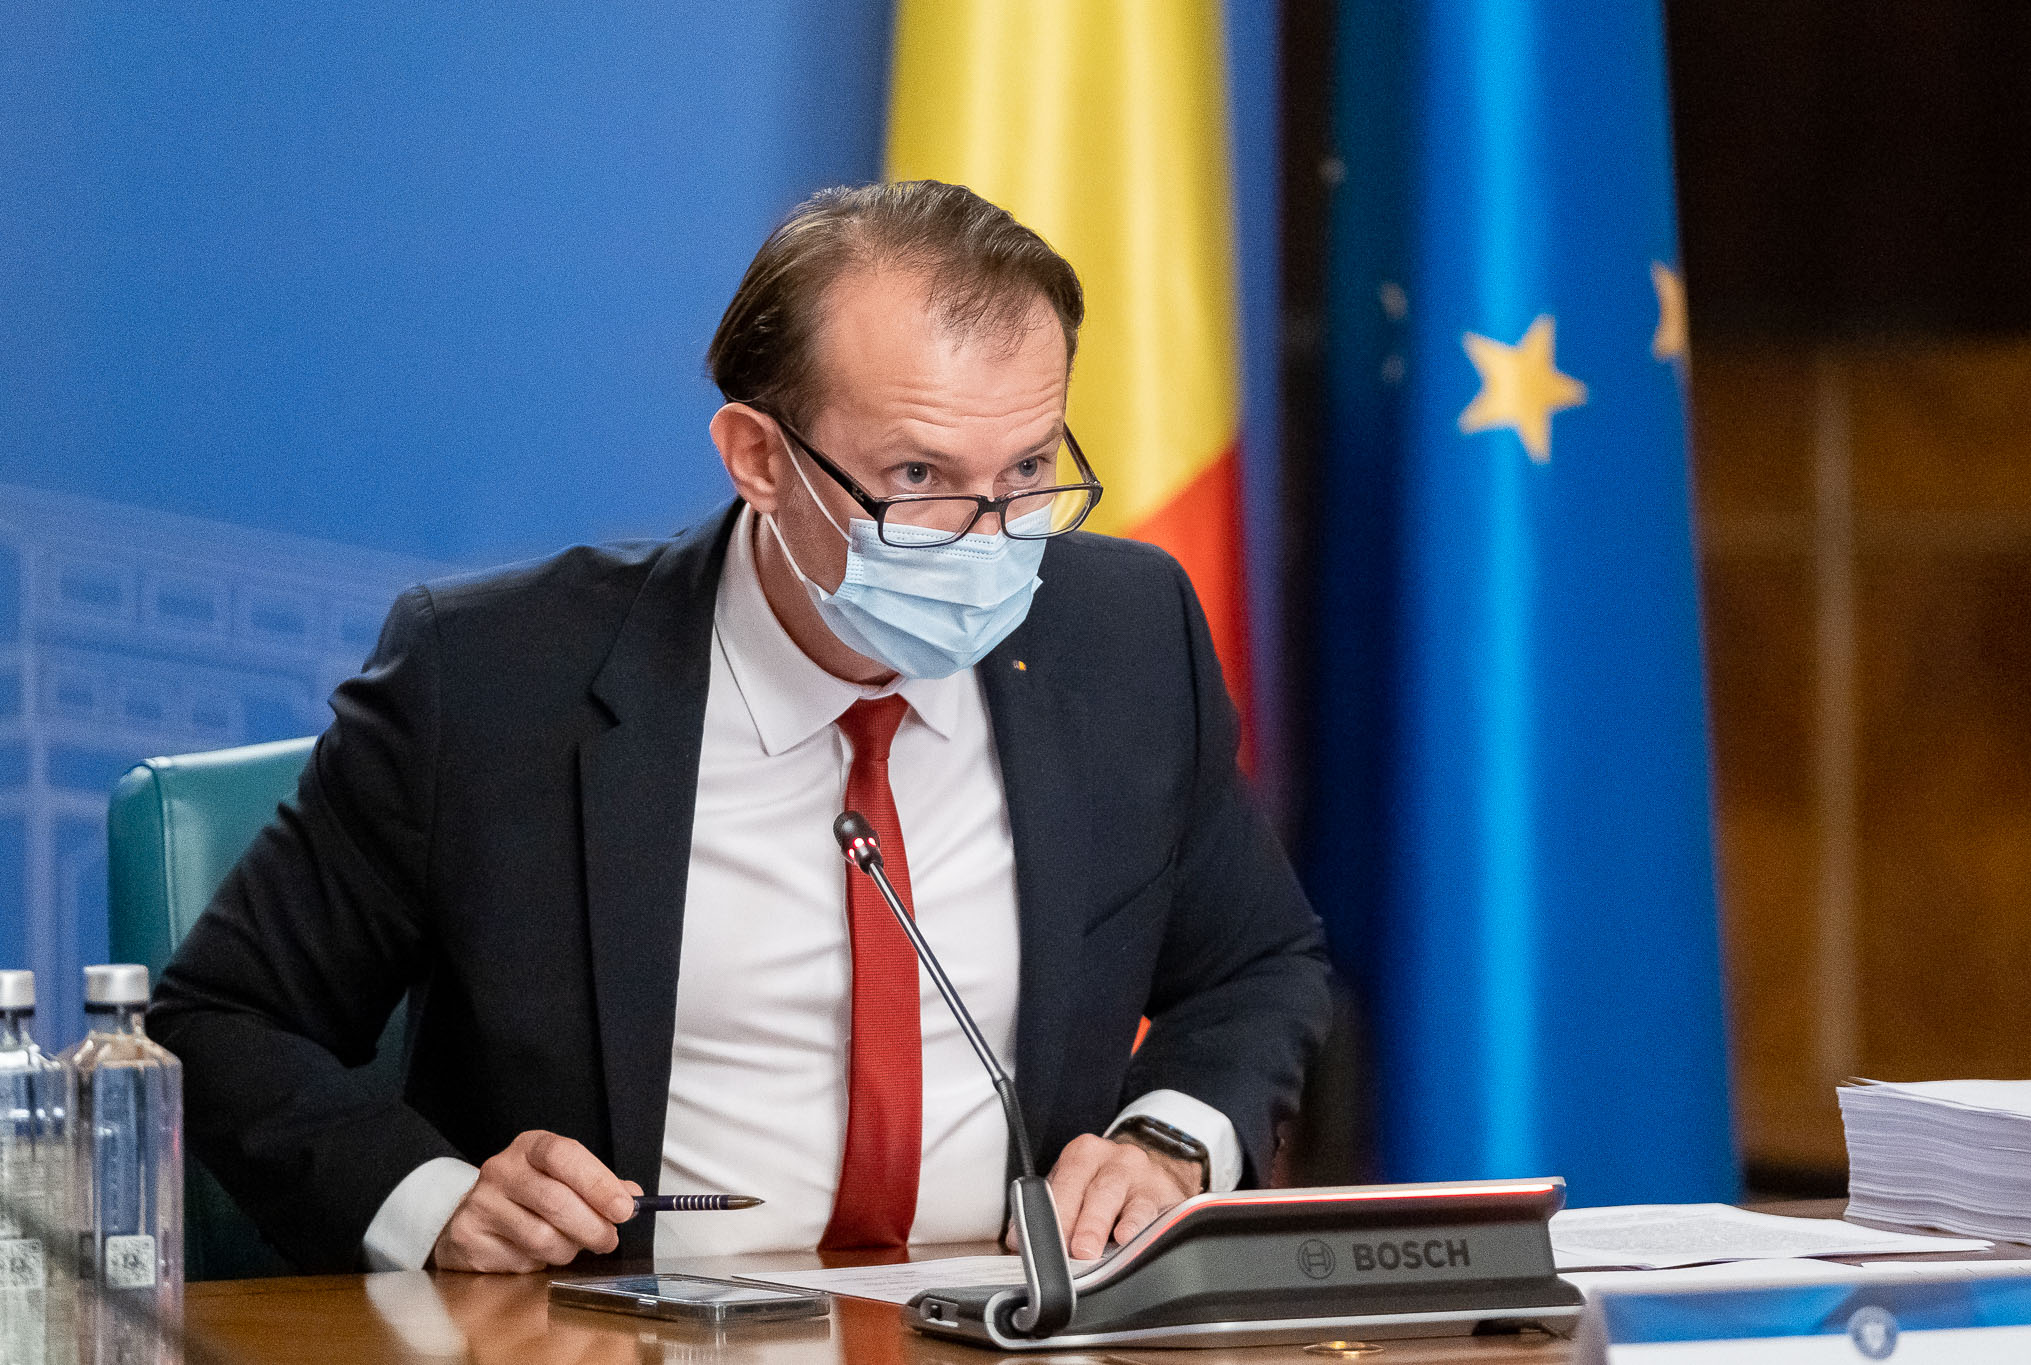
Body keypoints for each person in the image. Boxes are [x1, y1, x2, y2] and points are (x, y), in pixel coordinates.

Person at [150, 180, 1330, 1276]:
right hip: (619, 1331)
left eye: (1025, 470)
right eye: (918, 477)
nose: (988, 540)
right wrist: (435, 1203)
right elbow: (221, 1020)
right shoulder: (493, 682)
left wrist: (1166, 1142)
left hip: (1014, 1323)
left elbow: (1251, 964)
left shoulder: (1122, 635)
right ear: (759, 459)